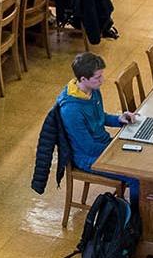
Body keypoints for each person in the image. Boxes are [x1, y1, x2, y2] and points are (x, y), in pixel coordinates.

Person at [56, 52, 140, 206]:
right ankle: (135, 220)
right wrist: (119, 149)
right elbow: (88, 148)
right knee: (136, 177)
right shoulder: (71, 111)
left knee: (139, 160)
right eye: (97, 77)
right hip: (88, 158)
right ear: (83, 79)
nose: (102, 80)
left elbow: (100, 117)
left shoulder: (92, 90)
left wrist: (119, 119)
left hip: (104, 146)